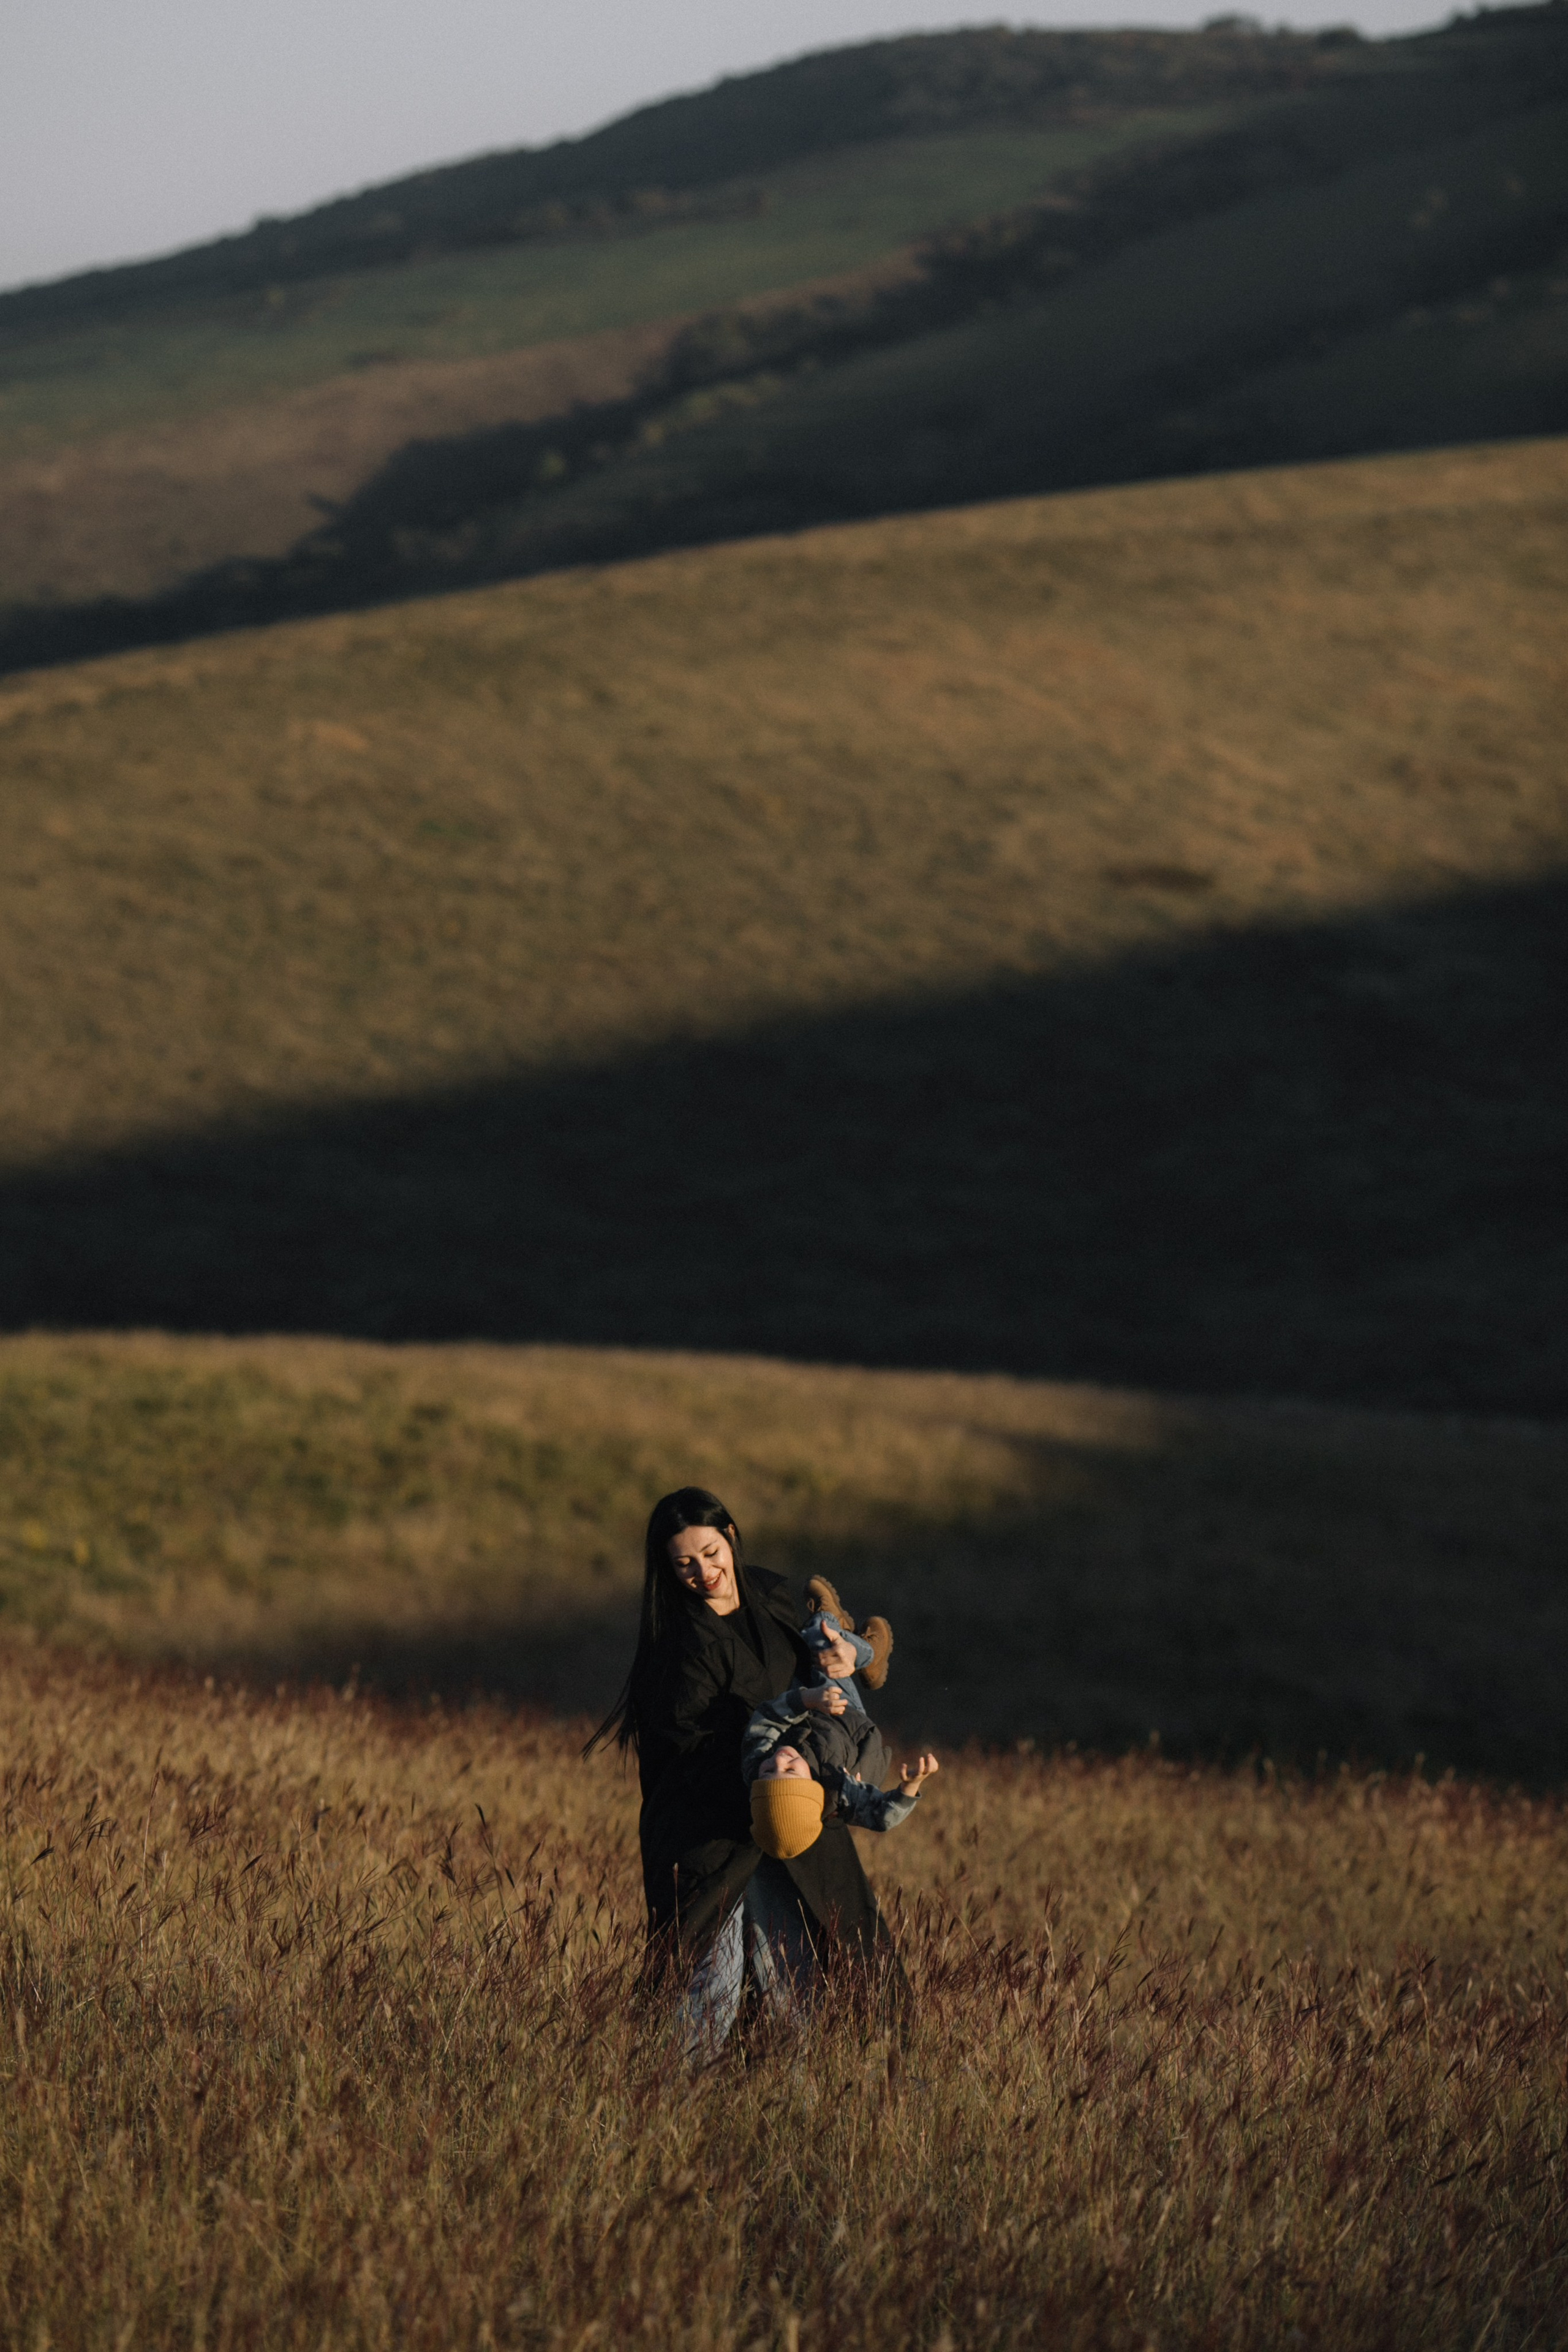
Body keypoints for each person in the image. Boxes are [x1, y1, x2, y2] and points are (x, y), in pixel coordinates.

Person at [587, 1487, 905, 2060]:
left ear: (730, 1537)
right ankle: (658, 2114)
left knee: (798, 1983)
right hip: (710, 1830)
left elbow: (823, 1663)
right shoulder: (677, 1644)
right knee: (710, 1987)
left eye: (710, 1553)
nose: (702, 1572)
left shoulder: (771, 1596)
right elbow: (688, 1752)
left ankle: (787, 2118)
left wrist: (836, 1660)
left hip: (794, 1817)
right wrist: (776, 1755)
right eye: (683, 1563)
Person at [744, 1693, 940, 1856]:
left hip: (815, 1704)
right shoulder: (839, 1789)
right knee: (834, 1653)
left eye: (768, 1772)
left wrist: (806, 1699)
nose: (778, 1761)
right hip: (850, 1716)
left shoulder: (755, 1763)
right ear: (812, 1786)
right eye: (790, 1771)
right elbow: (882, 1817)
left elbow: (767, 1719)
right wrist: (911, 1785)